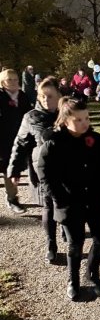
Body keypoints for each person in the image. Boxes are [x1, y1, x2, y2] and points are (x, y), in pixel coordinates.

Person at [37, 97, 100, 300]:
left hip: (96, 199)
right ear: (65, 121)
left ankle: (92, 273)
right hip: (70, 202)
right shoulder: (54, 144)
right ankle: (73, 281)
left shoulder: (97, 141)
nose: (84, 123)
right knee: (75, 244)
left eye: (87, 118)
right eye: (78, 119)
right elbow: (45, 175)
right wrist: (59, 198)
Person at [8, 78, 62, 262]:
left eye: (50, 96)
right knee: (48, 206)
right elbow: (20, 143)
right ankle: (51, 244)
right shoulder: (31, 117)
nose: (46, 100)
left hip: (67, 168)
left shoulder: (67, 112)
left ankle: (66, 231)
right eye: (42, 96)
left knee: (66, 204)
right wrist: (15, 170)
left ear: (59, 95)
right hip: (44, 170)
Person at [0, 69, 31, 213]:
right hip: (3, 138)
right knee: (8, 166)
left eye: (15, 79)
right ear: (2, 82)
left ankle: (14, 198)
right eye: (9, 79)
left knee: (16, 166)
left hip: (20, 137)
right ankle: (12, 198)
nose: (13, 82)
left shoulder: (22, 96)